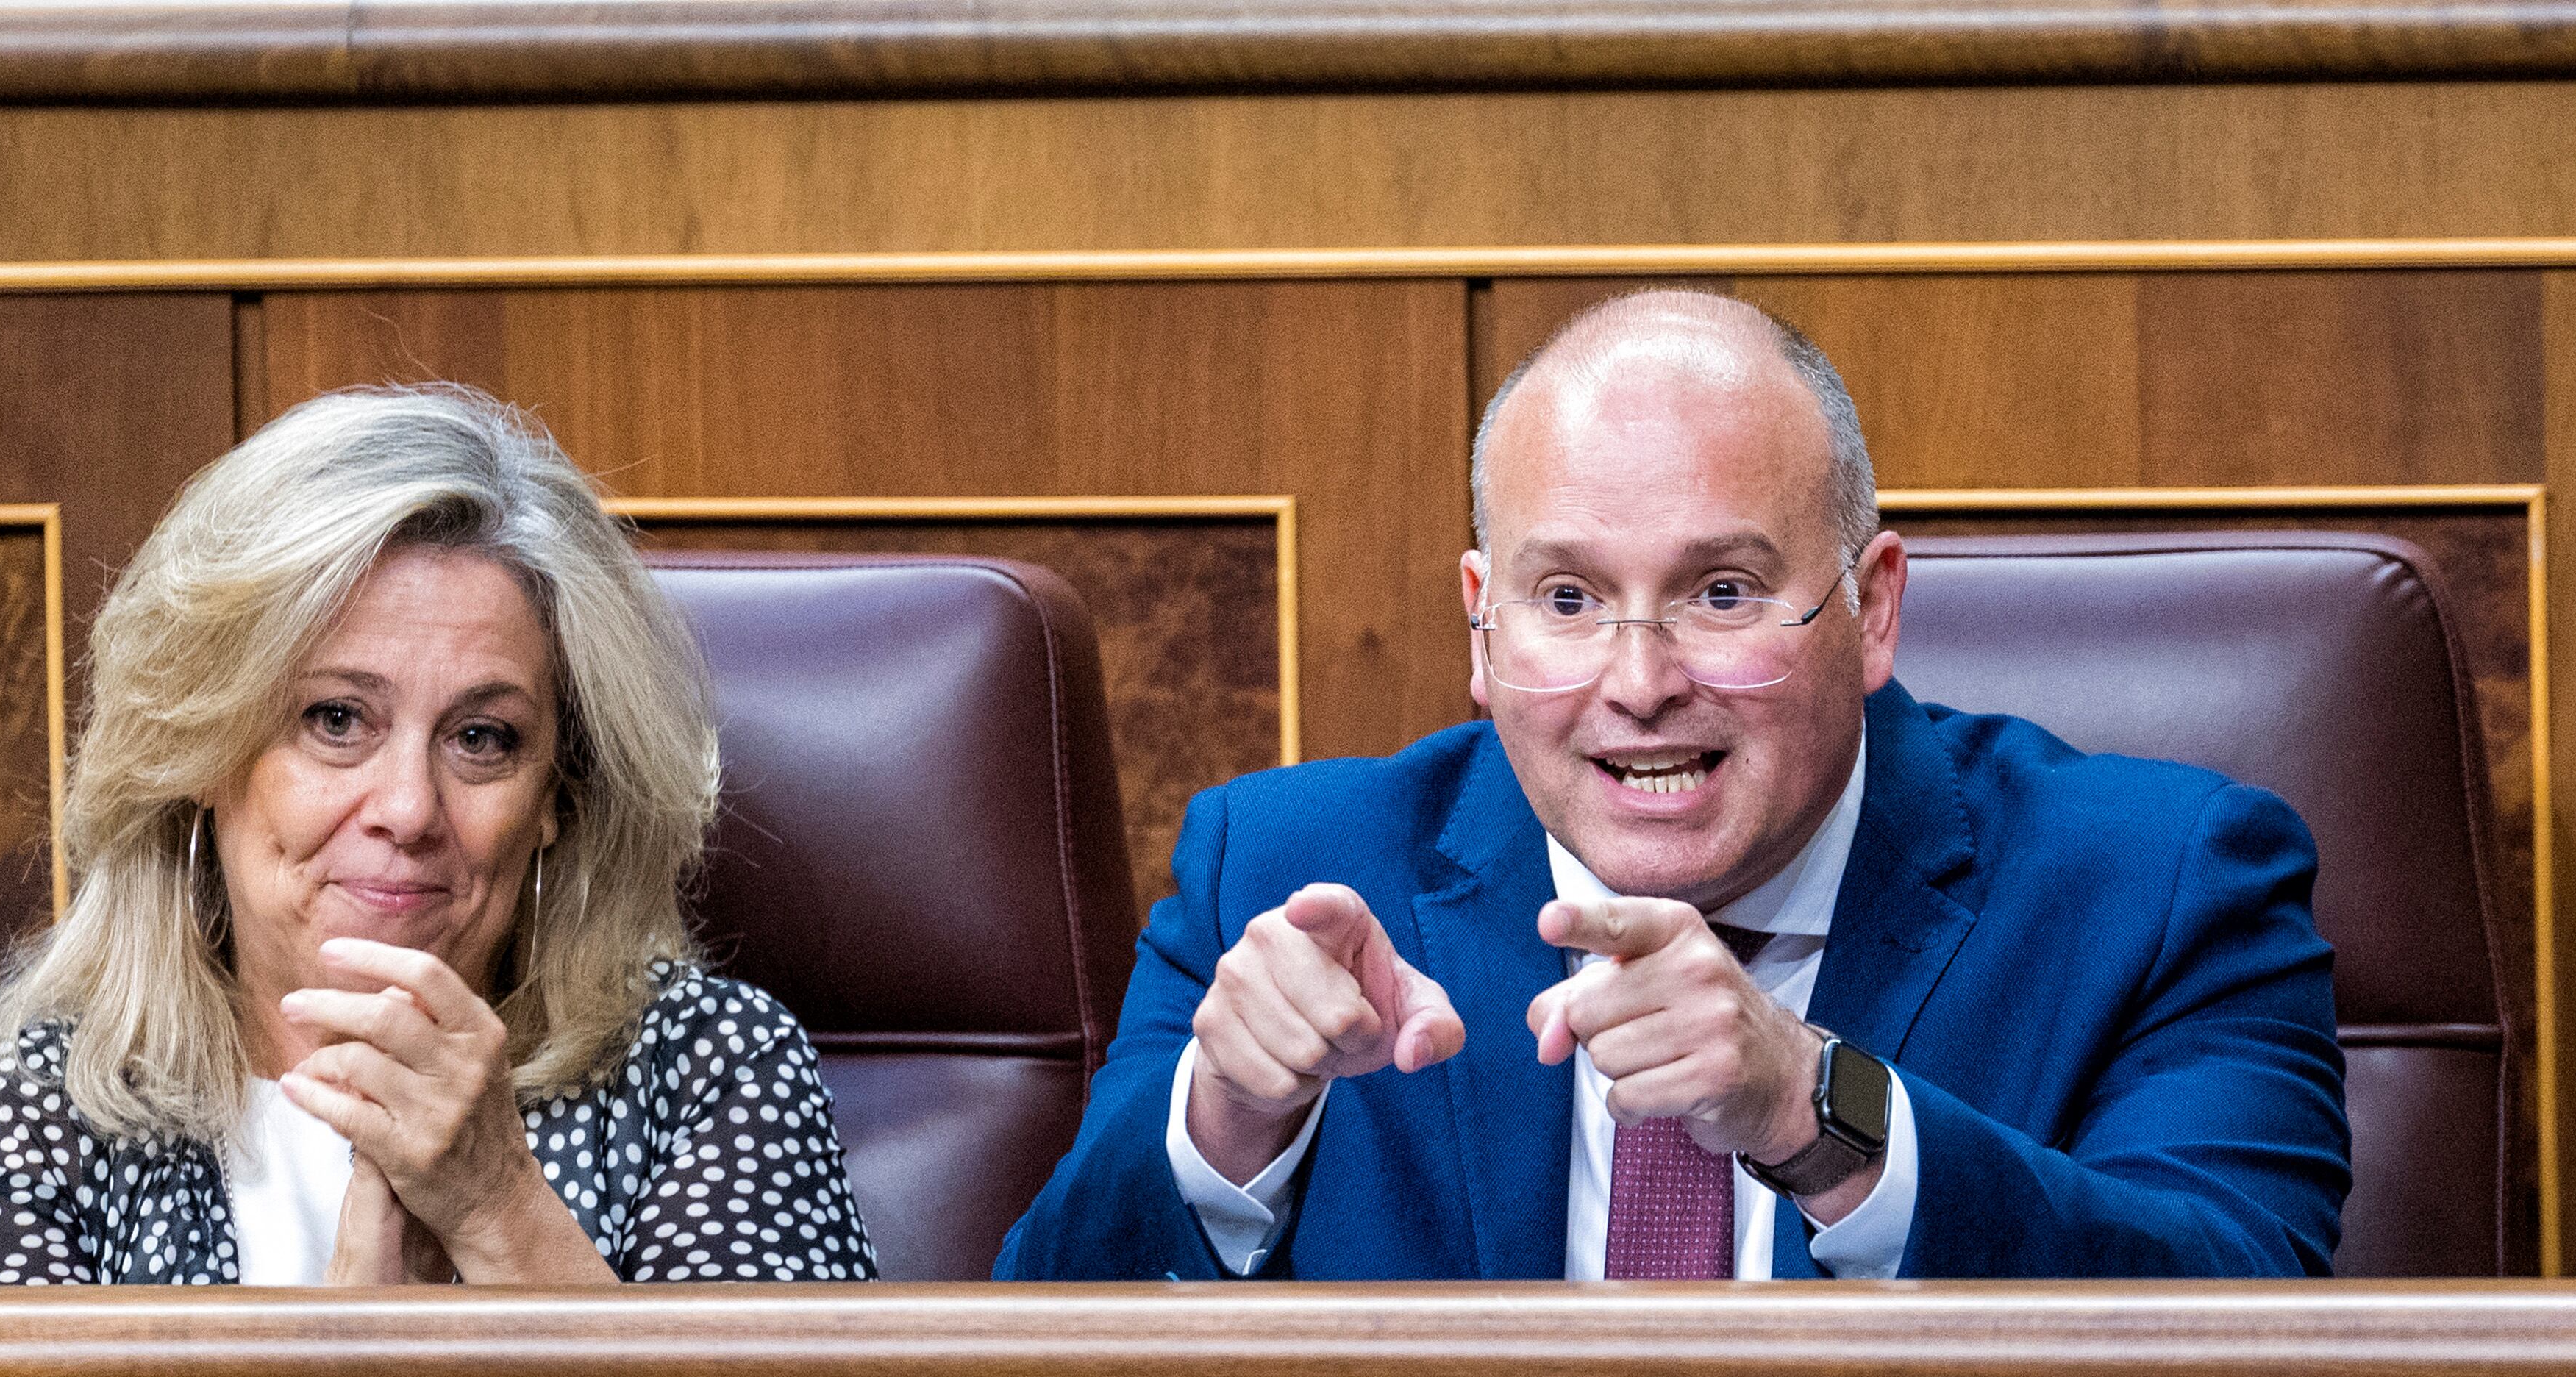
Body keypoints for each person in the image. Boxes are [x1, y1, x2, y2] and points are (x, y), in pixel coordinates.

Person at [999, 290, 2348, 1281]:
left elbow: (2248, 1328)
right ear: (1483, 624)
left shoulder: (2161, 886)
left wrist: (1817, 1113)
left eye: (1721, 592)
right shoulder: (1284, 866)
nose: (1638, 681)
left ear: (1872, 610)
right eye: (1569, 597)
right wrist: (1226, 1125)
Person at [0, 383, 874, 1285]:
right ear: (205, 755)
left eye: (482, 738)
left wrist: (496, 1209)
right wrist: (346, 1376)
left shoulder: (708, 1068)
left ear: (557, 798)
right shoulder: (38, 1102)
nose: (408, 808)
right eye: (336, 720)